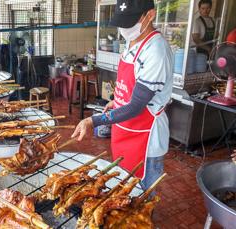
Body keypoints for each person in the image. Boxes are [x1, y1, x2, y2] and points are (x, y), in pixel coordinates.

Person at [71, 0, 173, 190]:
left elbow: (135, 106)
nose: (125, 28)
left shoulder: (156, 50)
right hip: (124, 128)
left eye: (130, 22)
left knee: (141, 196)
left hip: (146, 136)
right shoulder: (132, 42)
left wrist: (93, 120)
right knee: (124, 187)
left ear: (150, 14)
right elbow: (129, 86)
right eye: (122, 22)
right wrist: (117, 101)